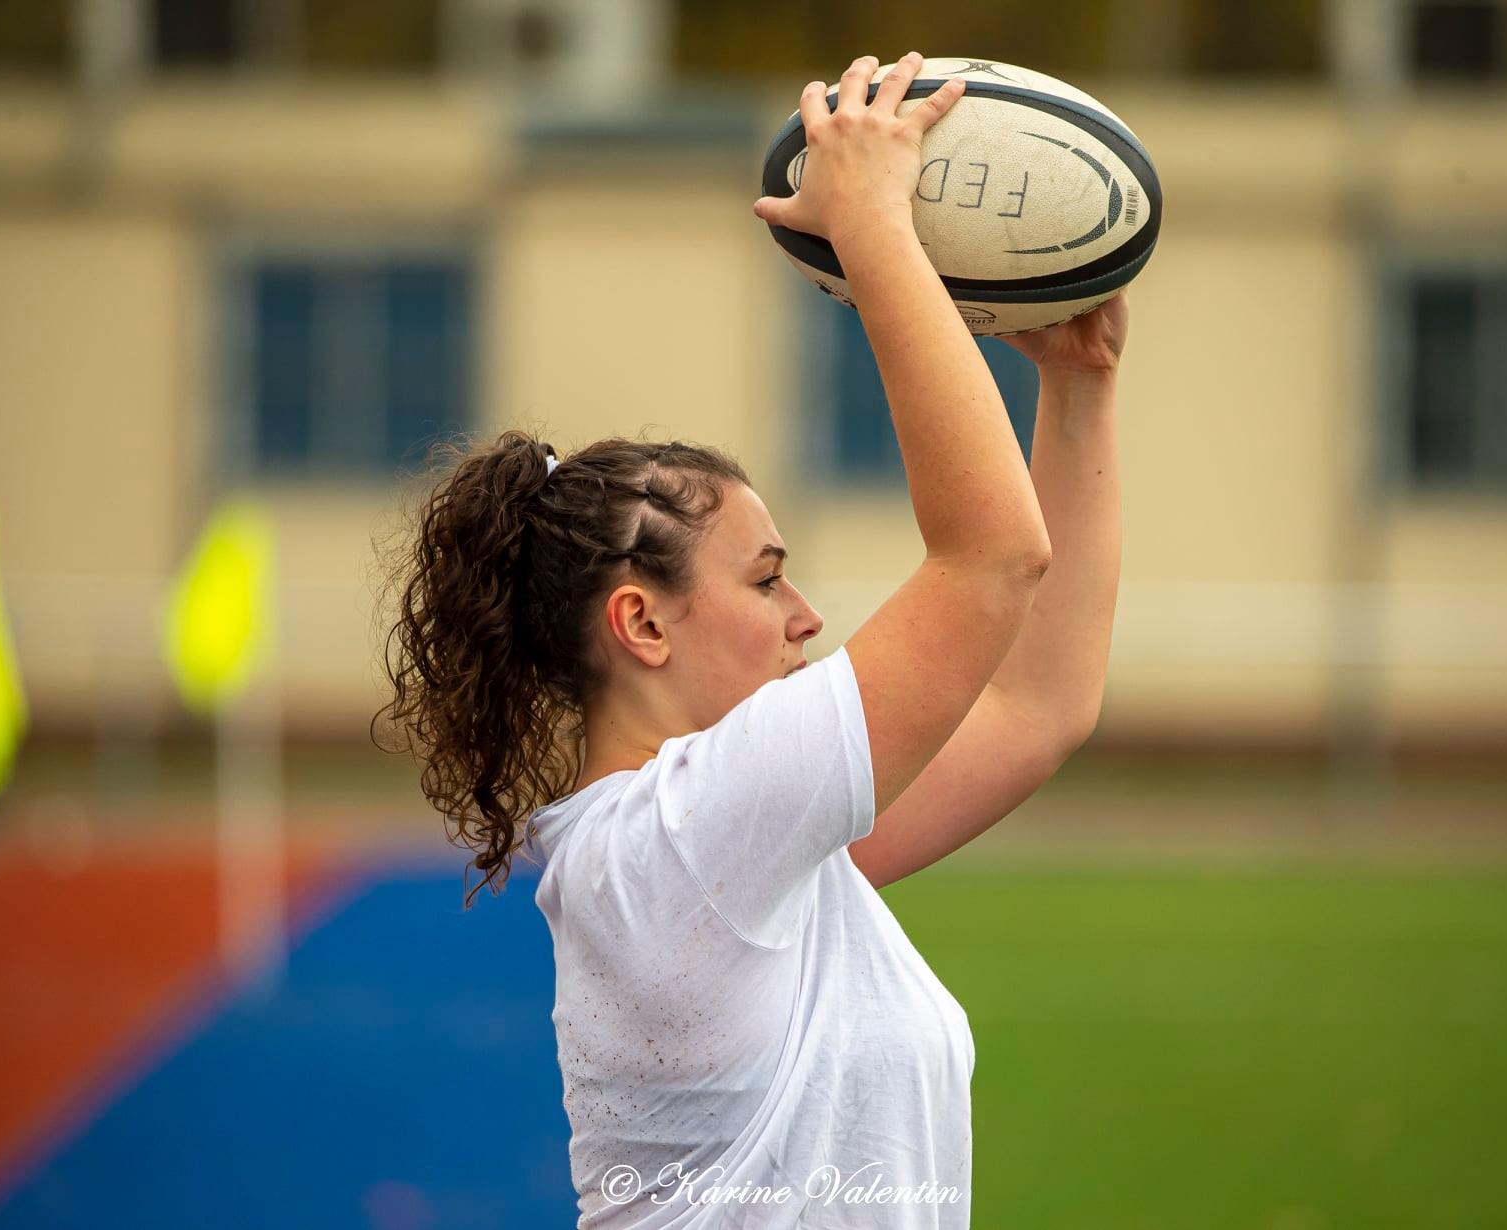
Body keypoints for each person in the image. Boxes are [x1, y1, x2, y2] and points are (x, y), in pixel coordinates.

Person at [376, 50, 1127, 1229]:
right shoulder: (682, 841)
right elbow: (990, 561)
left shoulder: (742, 854)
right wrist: (877, 225)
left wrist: (1079, 389)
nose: (806, 616)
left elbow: (1037, 706)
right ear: (641, 621)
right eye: (767, 577)